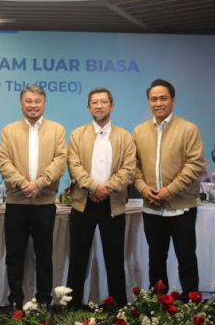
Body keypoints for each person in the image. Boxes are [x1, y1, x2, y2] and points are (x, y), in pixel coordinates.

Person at [133, 79, 205, 296]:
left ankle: (191, 303)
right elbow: (133, 166)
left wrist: (170, 190)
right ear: (149, 102)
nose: (158, 103)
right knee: (156, 258)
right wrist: (143, 188)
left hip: (181, 206)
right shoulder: (139, 131)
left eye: (163, 98)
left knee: (186, 257)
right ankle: (158, 303)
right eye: (153, 99)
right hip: (152, 206)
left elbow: (195, 164)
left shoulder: (188, 129)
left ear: (173, 100)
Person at [66, 87, 135, 308]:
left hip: (112, 204)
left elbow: (129, 170)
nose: (99, 106)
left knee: (114, 258)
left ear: (111, 106)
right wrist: (95, 187)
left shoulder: (125, 136)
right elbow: (74, 167)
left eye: (103, 102)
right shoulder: (77, 135)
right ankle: (72, 306)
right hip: (83, 203)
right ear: (88, 107)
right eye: (94, 102)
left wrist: (106, 189)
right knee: (78, 258)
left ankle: (117, 307)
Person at [0, 84, 66, 310]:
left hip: (44, 203)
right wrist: (22, 183)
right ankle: (15, 300)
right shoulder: (9, 130)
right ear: (21, 104)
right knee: (14, 255)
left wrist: (39, 184)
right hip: (16, 203)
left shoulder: (57, 130)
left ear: (44, 104)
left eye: (37, 101)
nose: (33, 105)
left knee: (44, 255)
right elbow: (4, 162)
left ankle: (44, 300)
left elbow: (60, 161)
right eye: (28, 101)